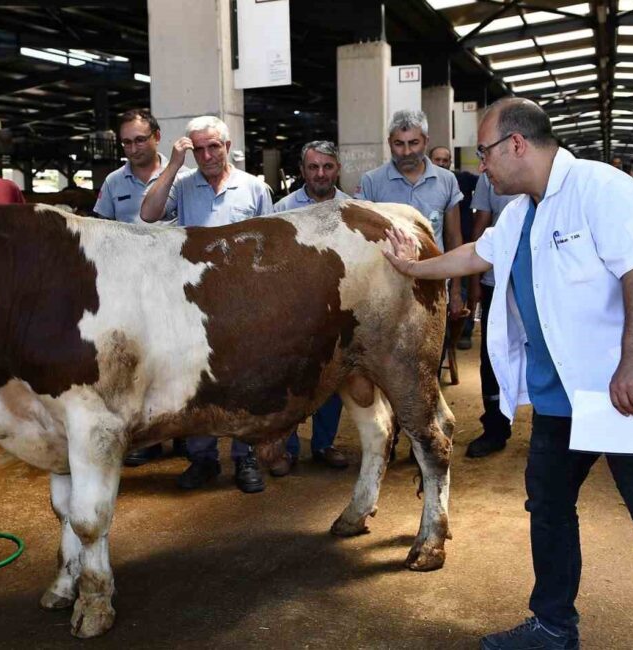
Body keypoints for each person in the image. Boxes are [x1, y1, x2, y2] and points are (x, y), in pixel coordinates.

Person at [381, 97, 633, 650]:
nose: (484, 166)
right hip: (560, 400)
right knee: (547, 506)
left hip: (622, 393)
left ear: (516, 144)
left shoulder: (600, 188)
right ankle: (552, 626)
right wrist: (412, 267)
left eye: (487, 152)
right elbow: (479, 253)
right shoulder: (523, 210)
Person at [140, 115, 273, 493]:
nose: (207, 155)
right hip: (195, 304)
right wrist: (174, 165)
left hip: (245, 302)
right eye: (198, 149)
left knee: (243, 380)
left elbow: (274, 242)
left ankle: (245, 457)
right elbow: (149, 215)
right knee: (197, 381)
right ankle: (203, 458)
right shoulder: (183, 186)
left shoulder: (254, 188)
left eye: (213, 146)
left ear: (228, 147)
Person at [94, 108, 176, 466]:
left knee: (178, 361)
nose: (133, 148)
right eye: (126, 142)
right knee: (139, 363)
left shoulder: (183, 178)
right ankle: (149, 437)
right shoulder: (114, 182)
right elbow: (99, 230)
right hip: (129, 292)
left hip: (176, 288)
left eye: (140, 139)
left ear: (157, 137)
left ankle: (185, 434)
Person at [269, 140, 350, 477]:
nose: (320, 173)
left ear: (337, 169)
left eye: (327, 166)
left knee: (331, 379)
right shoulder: (281, 209)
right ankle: (287, 448)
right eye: (313, 167)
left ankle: (324, 444)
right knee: (292, 380)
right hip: (293, 311)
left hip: (337, 309)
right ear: (301, 170)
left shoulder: (352, 209)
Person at [356, 109, 466, 320]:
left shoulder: (446, 180)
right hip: (386, 287)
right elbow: (362, 242)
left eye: (413, 143)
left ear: (426, 141)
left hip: (435, 283)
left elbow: (454, 237)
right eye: (399, 144)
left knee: (433, 348)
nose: (406, 152)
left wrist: (456, 290)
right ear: (389, 142)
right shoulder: (371, 182)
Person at [464, 171, 521, 458]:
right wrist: (474, 281)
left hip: (540, 285)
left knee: (545, 352)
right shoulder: (489, 177)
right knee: (493, 354)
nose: (484, 160)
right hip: (495, 282)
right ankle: (495, 428)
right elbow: (481, 227)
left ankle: (553, 430)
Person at [430, 144, 479, 349]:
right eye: (437, 160)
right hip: (433, 250)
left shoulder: (463, 179)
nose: (442, 163)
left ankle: (463, 332)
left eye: (445, 160)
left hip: (462, 244)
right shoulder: (427, 184)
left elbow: (485, 183)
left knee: (462, 289)